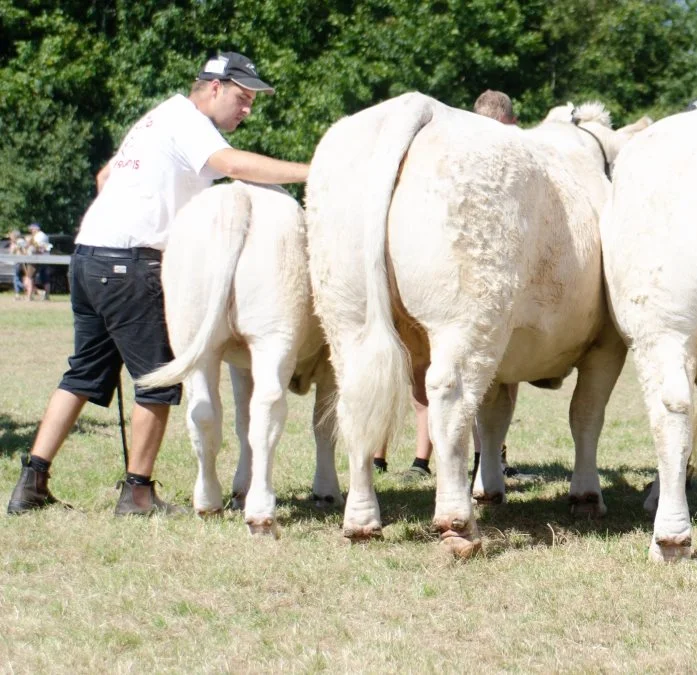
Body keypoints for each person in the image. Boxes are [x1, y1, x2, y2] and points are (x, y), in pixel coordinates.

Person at [7, 51, 309, 516]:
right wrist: (312, 171)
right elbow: (233, 164)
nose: (247, 109)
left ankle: (31, 482)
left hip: (89, 255)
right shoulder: (189, 121)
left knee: (82, 375)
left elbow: (104, 176)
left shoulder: (156, 118)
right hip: (131, 261)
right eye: (242, 97)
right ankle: (138, 493)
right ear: (214, 87)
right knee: (157, 381)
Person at [380, 88, 534, 485]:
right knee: (483, 372)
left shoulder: (449, 150)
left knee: (424, 366)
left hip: (434, 268)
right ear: (511, 123)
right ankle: (484, 459)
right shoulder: (511, 149)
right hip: (482, 276)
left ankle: (419, 458)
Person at [24, 223, 51, 301]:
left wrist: (29, 242)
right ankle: (46, 296)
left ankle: (29, 296)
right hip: (44, 259)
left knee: (30, 277)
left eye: (32, 229)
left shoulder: (39, 236)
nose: (31, 231)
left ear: (36, 229)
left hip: (36, 259)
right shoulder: (43, 235)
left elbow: (37, 247)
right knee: (45, 278)